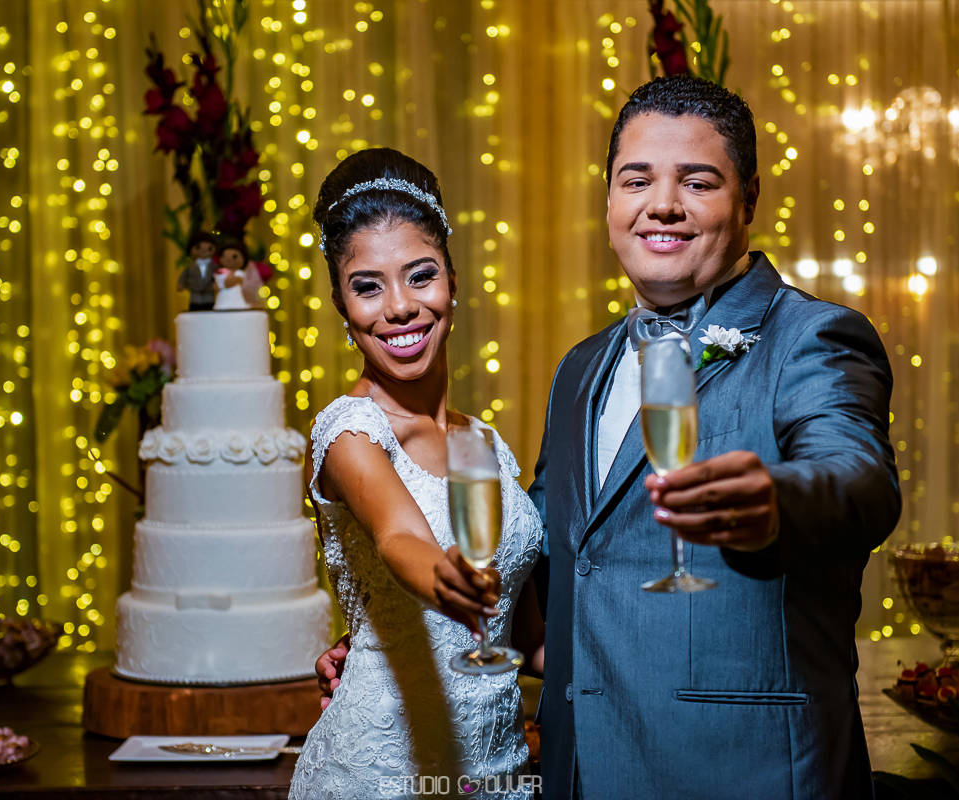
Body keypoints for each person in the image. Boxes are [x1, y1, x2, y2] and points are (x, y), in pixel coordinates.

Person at [318, 75, 900, 800]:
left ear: (748, 197)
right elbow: (547, 561)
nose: (663, 204)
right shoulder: (581, 369)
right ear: (611, 200)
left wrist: (777, 501)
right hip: (581, 772)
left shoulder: (811, 337)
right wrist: (398, 633)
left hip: (744, 773)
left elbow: (859, 477)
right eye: (637, 180)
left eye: (697, 182)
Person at [288, 148, 546, 800]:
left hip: (502, 772)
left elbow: (529, 640)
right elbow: (399, 536)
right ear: (341, 303)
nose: (399, 307)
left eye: (420, 276)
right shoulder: (350, 432)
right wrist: (443, 577)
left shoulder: (487, 444)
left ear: (452, 280)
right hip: (381, 773)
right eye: (367, 286)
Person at [177, 231, 219, 311]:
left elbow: (219, 275)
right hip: (195, 292)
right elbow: (184, 275)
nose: (204, 250)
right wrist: (180, 283)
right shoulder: (191, 266)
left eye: (209, 248)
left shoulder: (214, 266)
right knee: (195, 308)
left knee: (209, 307)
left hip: (209, 292)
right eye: (198, 247)